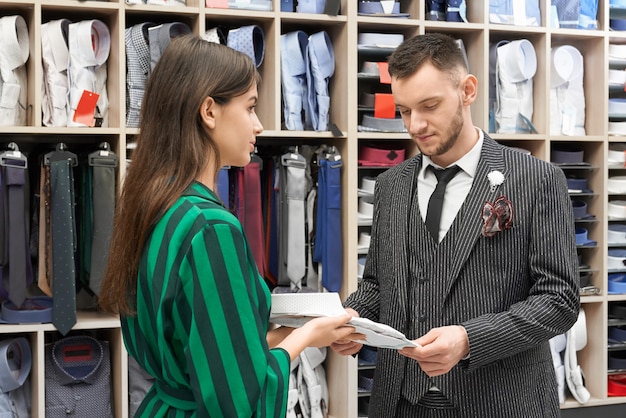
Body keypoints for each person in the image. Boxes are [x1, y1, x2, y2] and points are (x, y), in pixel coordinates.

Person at [98, 35, 357, 417]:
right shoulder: (210, 229)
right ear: (209, 111)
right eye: (250, 107)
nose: (260, 124)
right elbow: (242, 400)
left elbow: (207, 348)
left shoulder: (154, 205)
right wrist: (306, 337)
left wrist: (289, 333)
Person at [331, 33, 580, 418]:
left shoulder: (536, 179)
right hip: (401, 401)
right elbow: (379, 283)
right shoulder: (390, 186)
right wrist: (351, 319)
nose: (416, 125)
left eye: (429, 106)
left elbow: (559, 299)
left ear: (467, 90)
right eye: (404, 111)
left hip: (501, 402)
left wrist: (468, 340)